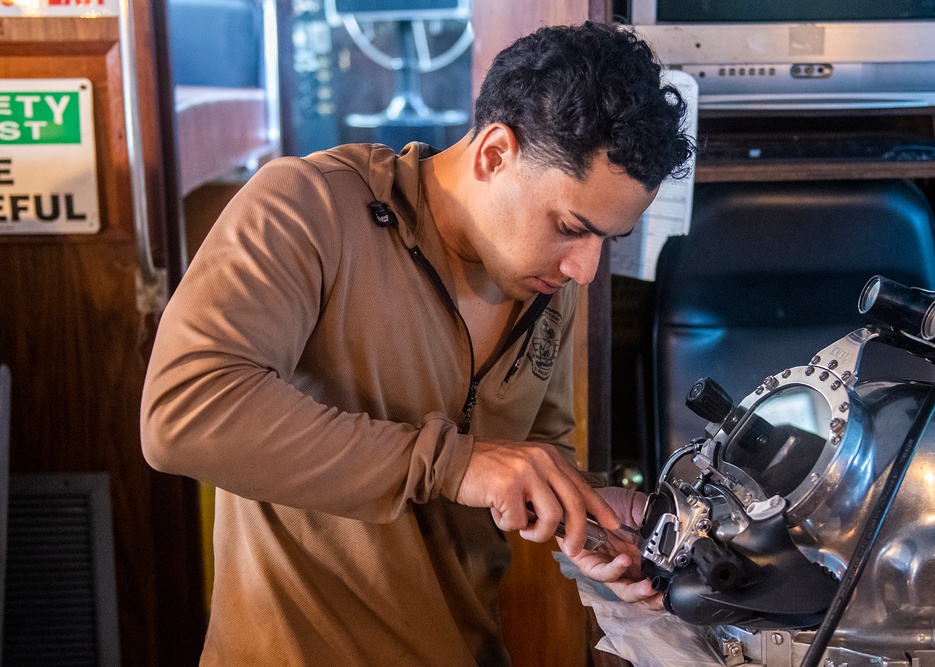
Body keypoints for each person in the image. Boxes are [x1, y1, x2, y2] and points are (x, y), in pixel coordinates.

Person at [140, 20, 693, 666]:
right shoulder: (309, 206)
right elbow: (182, 410)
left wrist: (593, 513)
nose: (586, 270)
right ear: (494, 153)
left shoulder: (546, 281)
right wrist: (453, 462)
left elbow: (532, 454)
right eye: (571, 227)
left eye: (609, 239)